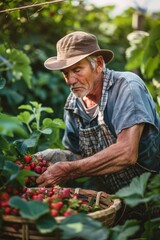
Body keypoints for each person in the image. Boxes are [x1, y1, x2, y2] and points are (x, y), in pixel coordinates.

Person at [36, 31, 160, 197]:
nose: (71, 80)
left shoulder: (127, 87)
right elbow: (78, 155)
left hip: (152, 193)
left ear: (99, 64)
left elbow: (127, 152)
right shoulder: (73, 104)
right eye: (66, 73)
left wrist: (69, 170)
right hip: (113, 199)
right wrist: (52, 157)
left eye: (77, 70)